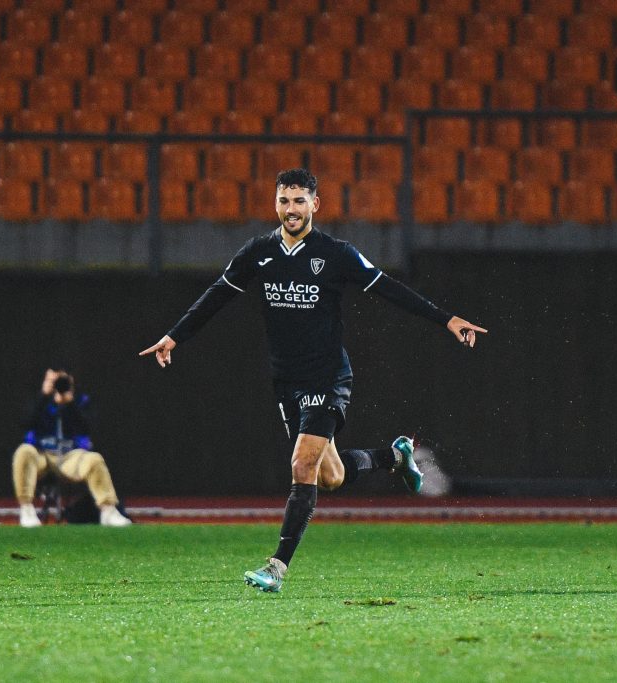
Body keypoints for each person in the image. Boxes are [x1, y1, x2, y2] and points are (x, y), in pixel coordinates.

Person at [140, 168, 487, 593]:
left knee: (301, 465)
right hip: (287, 381)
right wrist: (174, 337)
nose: (291, 209)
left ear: (315, 205)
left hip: (327, 374)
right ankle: (395, 458)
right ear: (275, 204)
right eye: (284, 201)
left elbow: (389, 289)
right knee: (330, 476)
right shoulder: (258, 252)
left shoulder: (336, 253)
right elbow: (217, 294)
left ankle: (276, 567)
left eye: (299, 201)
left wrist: (446, 319)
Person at [13, 369, 132, 528]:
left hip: (70, 456)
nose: (57, 385)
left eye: (61, 381)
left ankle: (108, 511)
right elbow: (25, 422)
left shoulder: (80, 401)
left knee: (94, 460)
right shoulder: (38, 399)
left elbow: (87, 427)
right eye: (52, 381)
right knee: (24, 452)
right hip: (41, 454)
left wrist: (70, 404)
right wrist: (44, 395)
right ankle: (27, 510)